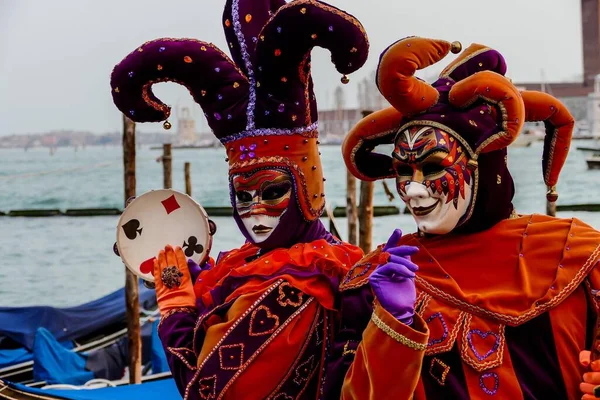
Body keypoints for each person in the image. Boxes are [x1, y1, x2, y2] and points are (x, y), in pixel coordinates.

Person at [109, 1, 378, 398]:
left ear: (308, 186)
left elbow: (209, 391)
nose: (255, 211)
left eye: (273, 192)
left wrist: (175, 306)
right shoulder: (260, 264)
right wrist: (192, 281)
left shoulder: (300, 285)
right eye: (242, 195)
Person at [337, 36, 600, 399]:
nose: (413, 191)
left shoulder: (578, 256)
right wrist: (392, 326)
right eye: (402, 171)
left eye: (432, 168)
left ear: (484, 168)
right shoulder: (374, 282)